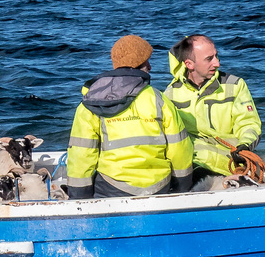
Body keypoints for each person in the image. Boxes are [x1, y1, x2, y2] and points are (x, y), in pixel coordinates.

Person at [66, 35, 193, 199]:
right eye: (146, 61)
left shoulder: (91, 103)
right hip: (159, 185)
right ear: (138, 64)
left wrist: (79, 196)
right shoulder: (159, 100)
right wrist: (181, 187)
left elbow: (81, 154)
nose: (150, 66)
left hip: (111, 187)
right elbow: (179, 149)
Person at [164, 33, 263, 183]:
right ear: (189, 64)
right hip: (194, 168)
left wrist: (245, 146)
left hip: (230, 166)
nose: (217, 63)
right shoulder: (170, 94)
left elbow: (249, 123)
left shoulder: (235, 85)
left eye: (216, 56)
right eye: (209, 59)